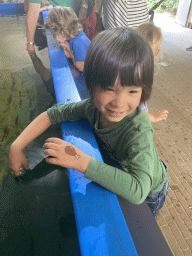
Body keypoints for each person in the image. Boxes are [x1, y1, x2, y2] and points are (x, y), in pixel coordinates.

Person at [9, 27, 169, 217]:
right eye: (109, 89)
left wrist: (80, 160)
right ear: (91, 85)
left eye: (132, 91)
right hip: (125, 165)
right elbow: (52, 114)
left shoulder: (138, 131)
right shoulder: (91, 107)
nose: (118, 103)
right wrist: (17, 146)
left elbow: (138, 191)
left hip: (151, 188)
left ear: (144, 91)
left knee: (140, 226)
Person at [26, 0, 95, 56]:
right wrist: (30, 43)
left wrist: (84, 6)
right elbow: (33, 13)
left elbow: (81, 66)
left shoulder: (79, 43)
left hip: (85, 12)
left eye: (53, 34)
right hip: (68, 16)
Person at [137, 22, 169, 122]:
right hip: (133, 121)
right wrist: (152, 117)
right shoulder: (137, 74)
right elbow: (130, 110)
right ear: (156, 53)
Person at [44, 6, 91, 72]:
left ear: (62, 32)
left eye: (53, 34)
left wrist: (69, 50)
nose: (53, 37)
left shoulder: (79, 43)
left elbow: (81, 68)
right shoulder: (75, 36)